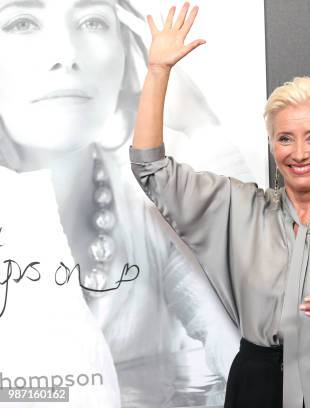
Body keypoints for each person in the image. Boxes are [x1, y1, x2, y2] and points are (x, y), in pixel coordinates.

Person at [129, 3, 310, 407]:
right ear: (271, 145)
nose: (299, 153)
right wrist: (158, 71)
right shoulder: (236, 208)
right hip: (256, 387)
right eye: (285, 139)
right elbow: (151, 171)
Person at [0, 0, 242, 406]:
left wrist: (201, 124)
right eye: (22, 22)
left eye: (92, 20)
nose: (65, 55)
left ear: (127, 58)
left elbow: (253, 336)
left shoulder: (148, 205)